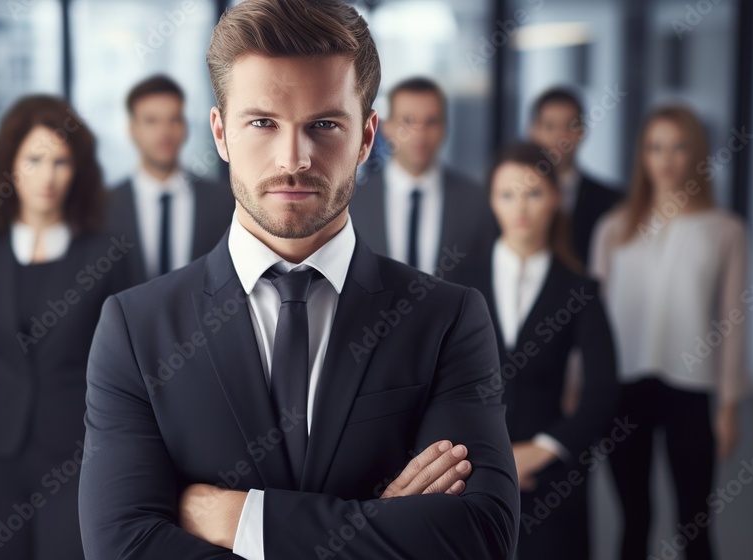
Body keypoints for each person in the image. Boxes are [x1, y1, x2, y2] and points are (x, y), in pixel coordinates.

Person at [79, 1, 519, 559]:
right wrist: (380, 528)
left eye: (325, 125)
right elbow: (123, 548)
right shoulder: (135, 329)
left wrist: (241, 519)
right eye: (263, 123)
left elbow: (480, 538)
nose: (294, 159)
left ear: (365, 138)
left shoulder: (448, 320)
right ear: (220, 133)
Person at [0, 95, 133, 560]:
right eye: (35, 159)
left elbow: (130, 364)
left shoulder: (108, 254)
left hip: (77, 458)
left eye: (61, 161)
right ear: (10, 165)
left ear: (77, 170)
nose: (47, 175)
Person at [590, 105, 748, 560]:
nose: (666, 158)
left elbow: (734, 318)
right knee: (634, 519)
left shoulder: (725, 231)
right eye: (655, 147)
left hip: (691, 390)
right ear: (642, 154)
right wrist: (583, 384)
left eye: (679, 147)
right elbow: (594, 320)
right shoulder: (614, 227)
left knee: (693, 523)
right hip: (625, 387)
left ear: (696, 153)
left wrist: (730, 405)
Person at [457, 142, 619, 559]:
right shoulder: (457, 284)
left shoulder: (580, 290)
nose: (520, 208)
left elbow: (603, 392)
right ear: (491, 200)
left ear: (556, 199)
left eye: (534, 193)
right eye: (507, 194)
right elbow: (436, 384)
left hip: (552, 477)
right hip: (470, 473)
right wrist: (486, 458)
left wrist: (542, 450)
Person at [351, 77, 497, 280]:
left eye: (431, 122)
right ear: (386, 127)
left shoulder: (475, 200)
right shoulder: (354, 202)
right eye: (408, 121)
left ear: (445, 127)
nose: (419, 135)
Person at [106, 74, 233, 281]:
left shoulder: (223, 201)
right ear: (132, 130)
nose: (165, 132)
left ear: (185, 127)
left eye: (174, 119)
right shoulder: (105, 206)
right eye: (151, 121)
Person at [527, 87, 622, 267]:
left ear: (583, 132)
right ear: (532, 131)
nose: (560, 136)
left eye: (570, 126)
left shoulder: (611, 202)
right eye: (550, 126)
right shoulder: (510, 195)